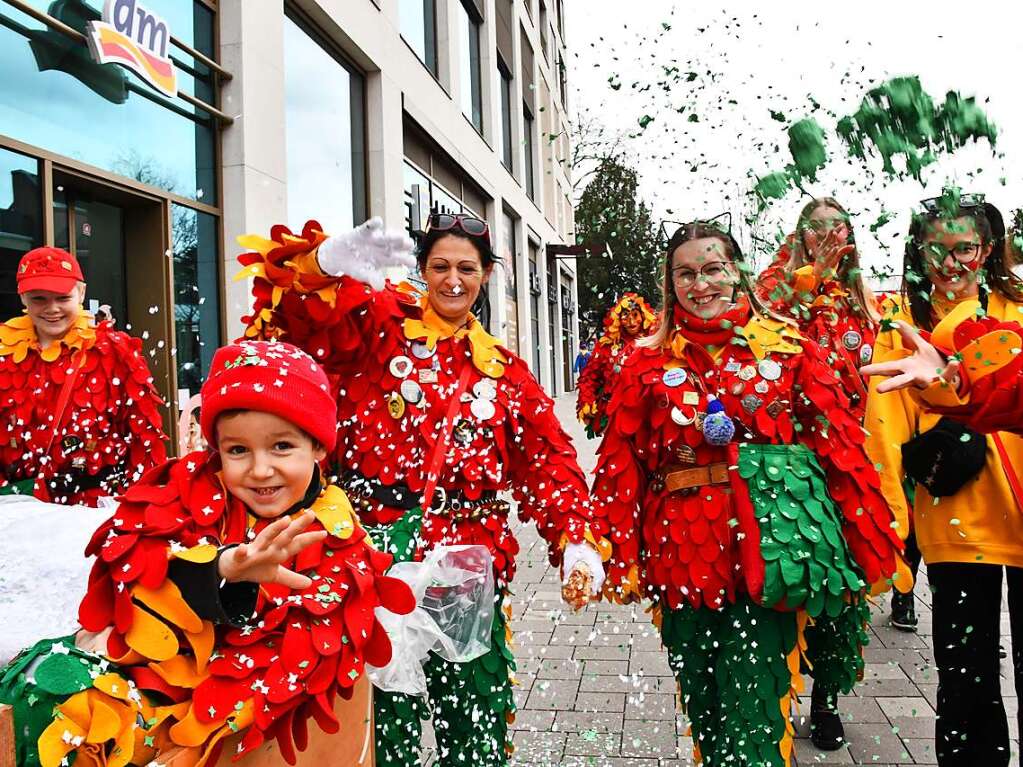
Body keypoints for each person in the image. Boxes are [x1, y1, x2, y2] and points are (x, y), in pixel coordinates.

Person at [236, 214, 608, 767]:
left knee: (474, 719)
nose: (452, 280)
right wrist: (326, 264)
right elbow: (297, 327)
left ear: (485, 277)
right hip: (376, 559)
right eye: (440, 266)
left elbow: (549, 462)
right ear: (423, 271)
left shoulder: (507, 375)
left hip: (464, 569)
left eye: (467, 268)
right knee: (386, 721)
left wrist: (575, 538)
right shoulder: (379, 328)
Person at [0, 339, 415, 767]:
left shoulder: (337, 537)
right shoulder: (184, 493)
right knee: (48, 690)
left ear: (319, 448)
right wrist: (220, 571)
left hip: (246, 722)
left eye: (282, 447)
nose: (259, 469)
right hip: (155, 687)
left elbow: (311, 658)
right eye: (238, 450)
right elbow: (133, 576)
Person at [592, 219, 907, 766]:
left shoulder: (790, 349)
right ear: (670, 285)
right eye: (686, 274)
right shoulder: (644, 361)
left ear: (737, 274)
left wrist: (871, 538)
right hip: (679, 560)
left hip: (766, 555)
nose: (701, 284)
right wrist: (610, 553)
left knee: (755, 713)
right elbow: (624, 465)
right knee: (707, 708)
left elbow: (839, 448)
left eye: (713, 269)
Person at [862, 191, 1023, 767]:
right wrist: (887, 535)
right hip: (956, 522)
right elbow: (883, 438)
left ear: (988, 249)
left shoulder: (1018, 310)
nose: (953, 264)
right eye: (938, 250)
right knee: (966, 681)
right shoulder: (901, 326)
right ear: (918, 252)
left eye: (967, 249)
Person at [0, 246, 167, 504]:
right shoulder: (5, 355)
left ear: (81, 293)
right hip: (20, 511)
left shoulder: (115, 352)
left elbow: (144, 441)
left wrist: (143, 506)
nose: (52, 309)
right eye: (39, 299)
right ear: (22, 297)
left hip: (94, 512)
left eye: (62, 298)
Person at [575, 293, 658, 437]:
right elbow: (588, 377)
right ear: (618, 319)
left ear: (644, 317)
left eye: (635, 315)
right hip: (614, 417)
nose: (631, 321)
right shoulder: (607, 345)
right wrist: (586, 401)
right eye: (625, 316)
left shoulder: (654, 342)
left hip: (648, 417)